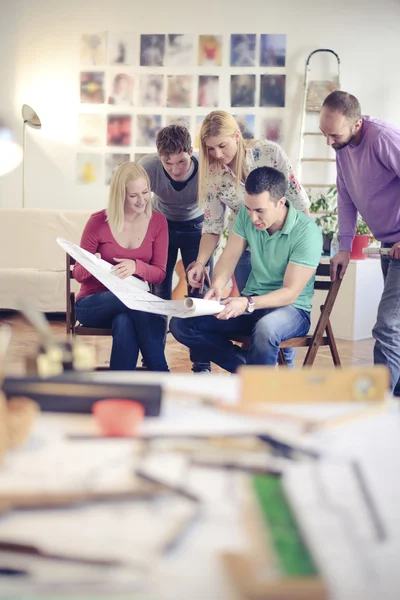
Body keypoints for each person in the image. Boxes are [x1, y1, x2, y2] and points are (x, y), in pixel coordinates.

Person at [187, 110, 310, 365]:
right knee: (253, 315)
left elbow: (300, 205)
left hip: (280, 243)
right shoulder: (212, 174)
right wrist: (200, 263)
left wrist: (296, 246)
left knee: (279, 314)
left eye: (222, 145)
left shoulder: (269, 153)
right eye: (210, 149)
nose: (218, 155)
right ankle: (250, 369)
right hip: (243, 245)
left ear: (237, 135)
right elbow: (212, 226)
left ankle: (283, 371)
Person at [169, 166, 322, 372]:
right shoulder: (246, 216)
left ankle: (257, 391)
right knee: (182, 323)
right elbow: (229, 256)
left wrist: (247, 303)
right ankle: (247, 370)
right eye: (249, 209)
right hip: (252, 304)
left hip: (292, 310)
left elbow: (289, 294)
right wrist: (217, 286)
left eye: (260, 210)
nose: (252, 218)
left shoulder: (307, 233)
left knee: (266, 330)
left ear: (281, 203)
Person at [320, 90, 400, 395]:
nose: (329, 142)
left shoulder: (383, 138)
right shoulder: (343, 147)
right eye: (323, 133)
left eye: (334, 134)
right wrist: (343, 246)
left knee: (388, 327)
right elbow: (345, 197)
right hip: (388, 242)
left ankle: (374, 405)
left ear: (356, 125)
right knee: (398, 329)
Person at [73, 162, 169, 372]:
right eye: (133, 195)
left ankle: (119, 384)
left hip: (132, 305)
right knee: (131, 301)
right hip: (92, 304)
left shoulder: (158, 222)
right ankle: (160, 371)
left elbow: (159, 274)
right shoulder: (98, 222)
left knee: (125, 320)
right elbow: (78, 274)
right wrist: (93, 264)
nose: (142, 200)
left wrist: (137, 267)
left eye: (145, 192)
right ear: (120, 195)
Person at [139, 125, 213, 373]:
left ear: (191, 152)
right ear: (159, 156)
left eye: (181, 162)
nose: (175, 169)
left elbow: (219, 208)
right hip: (161, 226)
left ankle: (202, 364)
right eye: (167, 163)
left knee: (199, 295)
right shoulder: (148, 166)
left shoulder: (207, 166)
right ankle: (153, 361)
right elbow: (132, 202)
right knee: (158, 294)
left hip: (198, 227)